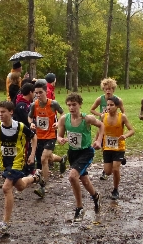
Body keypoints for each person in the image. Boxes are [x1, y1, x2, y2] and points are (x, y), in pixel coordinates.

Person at [0, 101, 42, 234]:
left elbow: (34, 138)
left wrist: (32, 155)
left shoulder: (20, 127)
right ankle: (36, 177)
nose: (0, 115)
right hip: (5, 163)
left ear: (11, 112)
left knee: (6, 188)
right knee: (20, 186)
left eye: (3, 112)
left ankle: (5, 223)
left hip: (18, 162)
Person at [57, 93, 104, 222]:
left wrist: (99, 141)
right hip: (73, 153)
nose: (71, 108)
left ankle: (79, 208)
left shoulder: (87, 119)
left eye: (74, 105)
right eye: (69, 105)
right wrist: (60, 139)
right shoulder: (64, 119)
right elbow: (59, 135)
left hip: (86, 152)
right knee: (84, 180)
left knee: (72, 177)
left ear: (80, 105)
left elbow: (101, 125)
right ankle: (95, 196)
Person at [28, 80, 67, 193]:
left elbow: (63, 113)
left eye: (41, 92)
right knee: (48, 157)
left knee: (44, 158)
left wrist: (58, 123)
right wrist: (31, 123)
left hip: (51, 135)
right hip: (39, 136)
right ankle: (61, 159)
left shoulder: (53, 104)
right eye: (36, 93)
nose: (38, 95)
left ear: (46, 92)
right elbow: (29, 117)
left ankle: (43, 186)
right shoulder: (33, 105)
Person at [90, 78, 126, 180]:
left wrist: (120, 119)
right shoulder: (100, 99)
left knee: (112, 144)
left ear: (113, 89)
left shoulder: (118, 100)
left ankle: (116, 159)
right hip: (102, 125)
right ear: (103, 89)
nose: (108, 91)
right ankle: (108, 164)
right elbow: (92, 109)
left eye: (110, 89)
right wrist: (101, 114)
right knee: (103, 146)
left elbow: (123, 112)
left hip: (114, 126)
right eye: (106, 89)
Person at [101, 96, 135, 199]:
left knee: (116, 169)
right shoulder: (103, 117)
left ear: (117, 106)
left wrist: (125, 136)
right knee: (107, 172)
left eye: (112, 105)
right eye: (108, 105)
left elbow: (132, 130)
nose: (109, 107)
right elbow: (100, 130)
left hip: (119, 147)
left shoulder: (122, 117)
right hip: (107, 147)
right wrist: (97, 141)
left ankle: (115, 190)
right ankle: (121, 159)